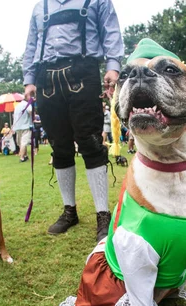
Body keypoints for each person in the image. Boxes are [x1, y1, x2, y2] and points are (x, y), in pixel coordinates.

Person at [22, 0, 124, 241]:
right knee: (59, 146)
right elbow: (32, 45)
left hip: (85, 72)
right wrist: (29, 79)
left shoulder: (98, 1)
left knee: (90, 142)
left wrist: (113, 67)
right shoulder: (40, 7)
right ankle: (70, 211)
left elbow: (111, 31)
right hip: (46, 79)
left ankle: (103, 214)